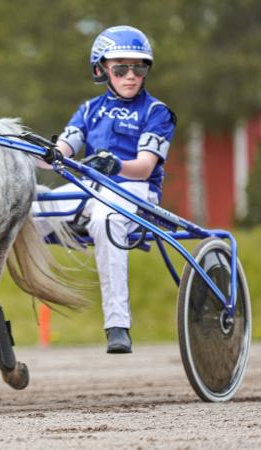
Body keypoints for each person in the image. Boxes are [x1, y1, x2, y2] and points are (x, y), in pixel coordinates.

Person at [34, 25, 176, 353]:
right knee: (25, 211)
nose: (131, 76)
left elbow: (145, 167)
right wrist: (29, 152)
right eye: (121, 69)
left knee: (105, 220)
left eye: (139, 68)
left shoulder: (156, 112)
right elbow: (59, 154)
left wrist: (115, 165)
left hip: (135, 191)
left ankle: (117, 324)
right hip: (90, 188)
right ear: (101, 70)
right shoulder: (88, 110)